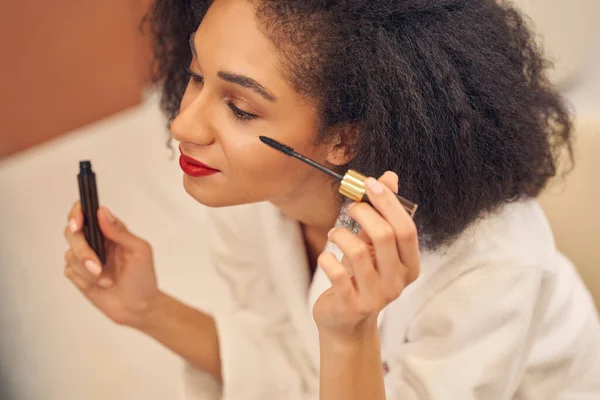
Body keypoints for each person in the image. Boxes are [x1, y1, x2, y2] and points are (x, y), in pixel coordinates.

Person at [62, 0, 600, 399]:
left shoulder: (495, 266)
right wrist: (146, 308)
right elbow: (290, 369)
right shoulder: (253, 194)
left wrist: (350, 336)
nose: (183, 123)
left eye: (242, 109)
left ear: (345, 139)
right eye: (195, 75)